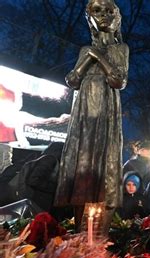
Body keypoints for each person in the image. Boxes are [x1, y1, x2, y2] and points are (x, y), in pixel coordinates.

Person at [54, 0, 129, 233]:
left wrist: (101, 59)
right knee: (82, 165)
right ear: (90, 18)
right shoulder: (84, 50)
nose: (104, 15)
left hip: (107, 113)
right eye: (97, 10)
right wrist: (89, 57)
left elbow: (119, 80)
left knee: (105, 165)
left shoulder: (121, 49)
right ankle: (81, 234)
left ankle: (100, 234)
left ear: (116, 17)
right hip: (84, 116)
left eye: (109, 10)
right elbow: (72, 80)